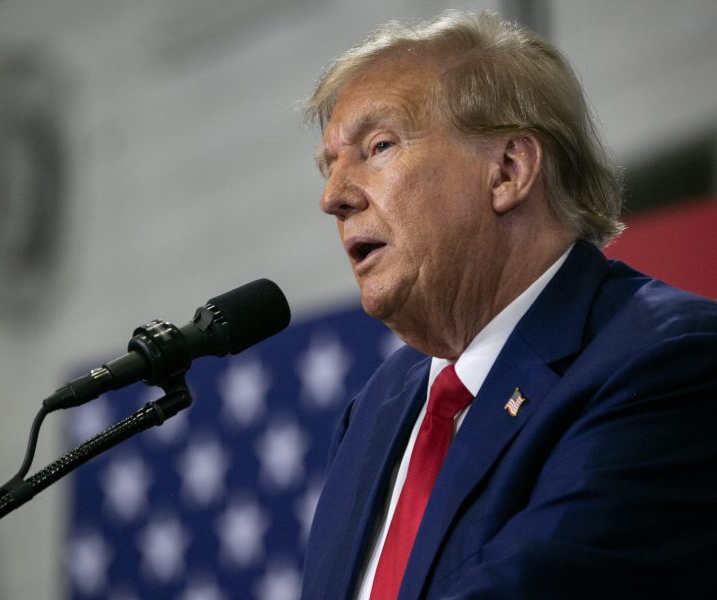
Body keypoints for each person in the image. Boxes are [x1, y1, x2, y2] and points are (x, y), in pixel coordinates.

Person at [300, 10, 717, 600]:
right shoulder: (376, 412)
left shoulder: (668, 359)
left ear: (508, 170)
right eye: (329, 166)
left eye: (379, 146)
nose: (333, 197)